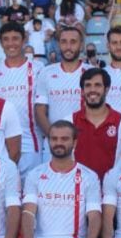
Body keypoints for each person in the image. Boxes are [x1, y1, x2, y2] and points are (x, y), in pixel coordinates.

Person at [0, 22, 43, 172]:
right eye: (6, 39)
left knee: (30, 194)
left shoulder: (39, 69)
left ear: (23, 40)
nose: (11, 43)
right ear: (1, 43)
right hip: (2, 145)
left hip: (31, 144)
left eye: (15, 38)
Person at [35, 25, 89, 158]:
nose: (68, 47)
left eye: (73, 42)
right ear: (59, 44)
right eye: (64, 42)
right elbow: (40, 111)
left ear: (81, 45)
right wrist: (54, 137)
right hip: (54, 145)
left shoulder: (91, 72)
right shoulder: (46, 72)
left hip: (84, 143)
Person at [72, 68, 121, 182]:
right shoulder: (70, 121)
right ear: (82, 90)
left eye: (98, 85)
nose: (92, 90)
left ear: (107, 89)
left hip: (112, 193)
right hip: (79, 190)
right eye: (88, 85)